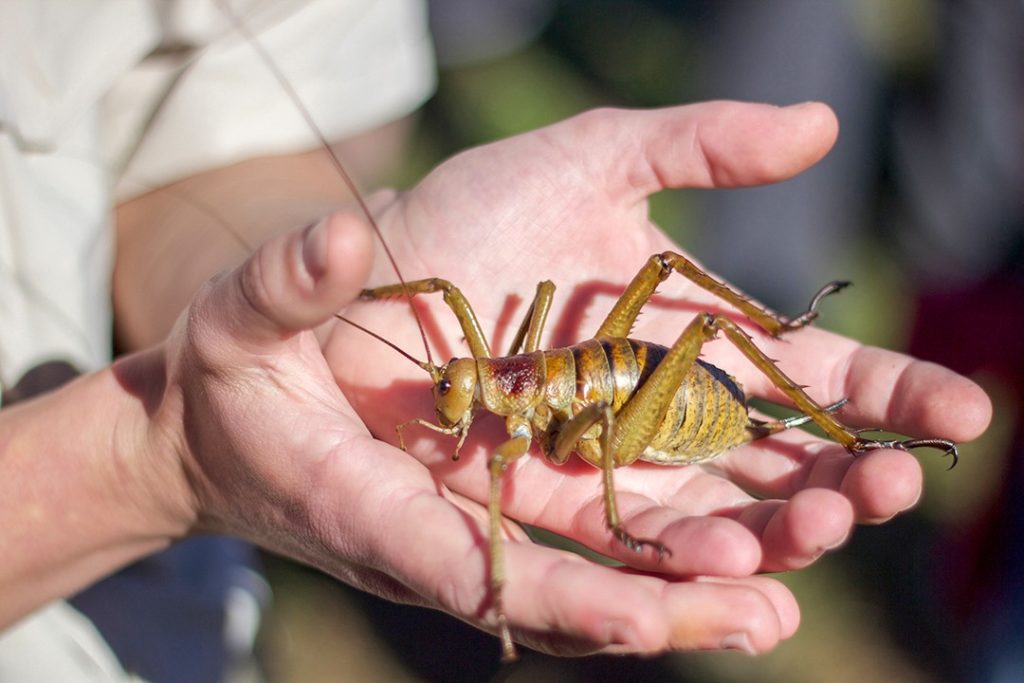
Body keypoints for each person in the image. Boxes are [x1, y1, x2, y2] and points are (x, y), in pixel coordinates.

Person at [0, 0, 992, 680]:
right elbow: (450, 322)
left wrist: (338, 252)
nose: (453, 403)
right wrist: (157, 458)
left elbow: (209, 141)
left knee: (682, 328)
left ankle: (807, 376)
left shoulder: (511, 418)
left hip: (653, 402)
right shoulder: (487, 386)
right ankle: (817, 402)